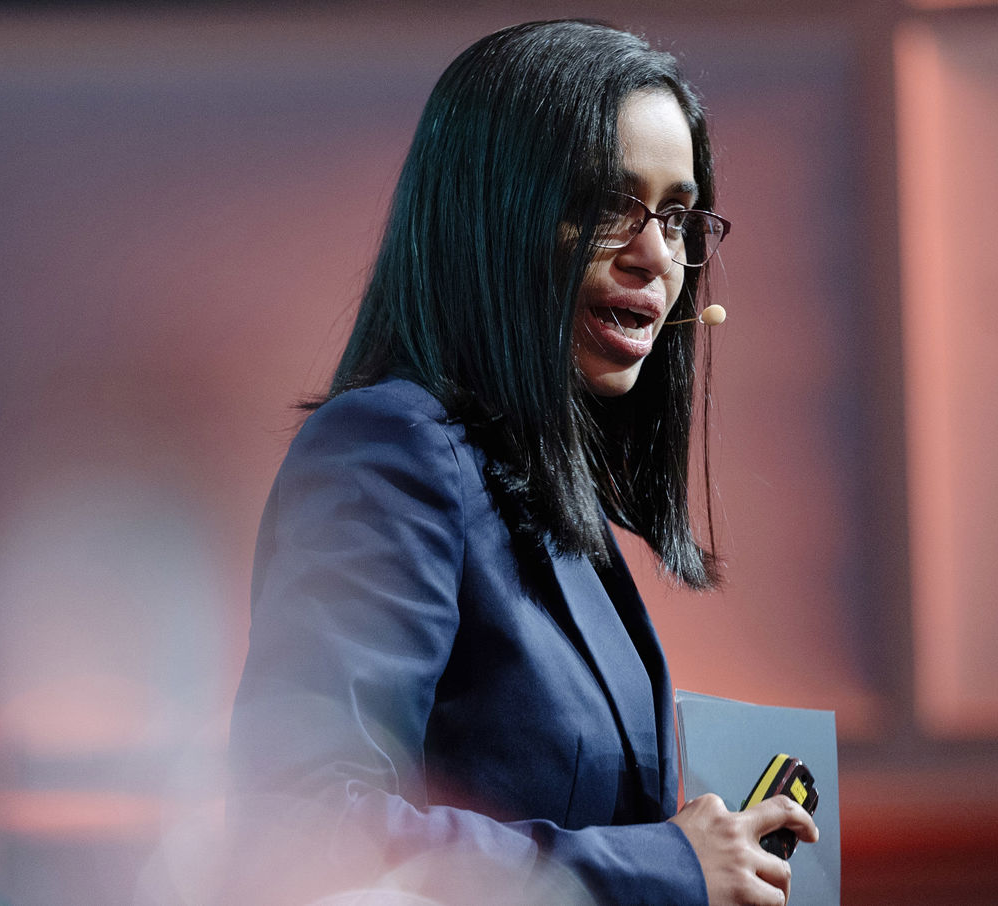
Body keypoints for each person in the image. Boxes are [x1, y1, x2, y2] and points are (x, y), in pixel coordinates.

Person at [225, 19, 819, 906]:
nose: (657, 256)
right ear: (492, 216)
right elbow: (302, 826)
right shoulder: (386, 453)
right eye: (609, 203)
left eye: (677, 215)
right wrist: (665, 866)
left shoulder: (551, 500)